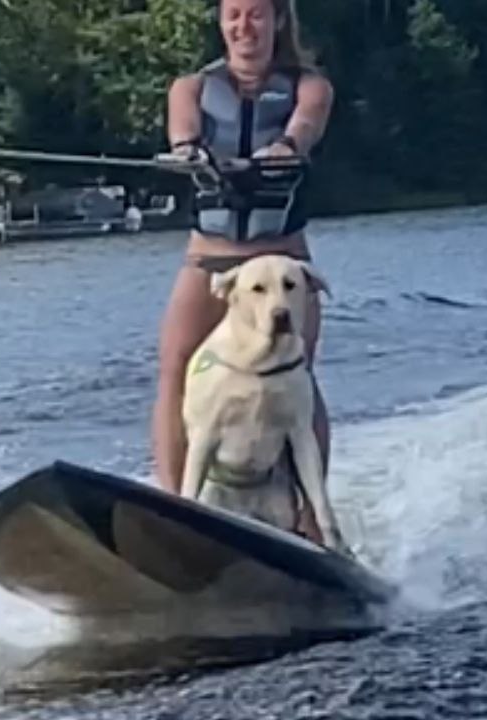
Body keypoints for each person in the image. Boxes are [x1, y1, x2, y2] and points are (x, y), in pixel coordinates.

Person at [150, 0, 335, 543]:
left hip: (281, 262)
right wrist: (190, 153)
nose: (243, 26)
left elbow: (303, 130)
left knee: (297, 380)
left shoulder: (310, 87)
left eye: (256, 15)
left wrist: (281, 150)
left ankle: (308, 521)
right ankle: (172, 506)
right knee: (176, 367)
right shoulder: (190, 88)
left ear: (278, 21)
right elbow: (182, 133)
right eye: (233, 15)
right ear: (221, 23)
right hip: (212, 258)